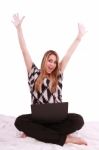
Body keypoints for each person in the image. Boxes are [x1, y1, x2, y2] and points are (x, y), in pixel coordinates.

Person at [12, 13, 87, 146]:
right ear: (44, 60)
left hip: (58, 120)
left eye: (55, 62)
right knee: (19, 122)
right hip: (38, 120)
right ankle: (65, 138)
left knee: (78, 120)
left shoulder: (57, 74)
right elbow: (24, 50)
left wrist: (79, 38)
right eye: (50, 60)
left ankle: (36, 132)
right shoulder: (33, 72)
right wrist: (19, 29)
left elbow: (68, 55)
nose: (52, 64)